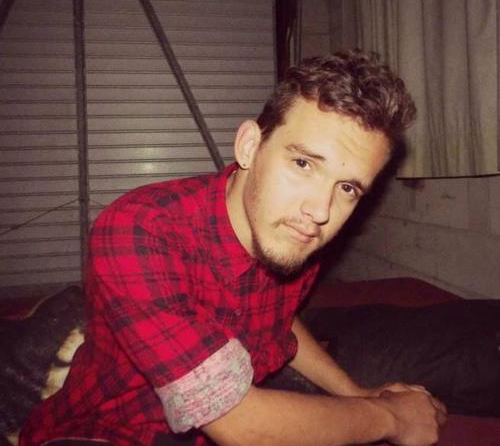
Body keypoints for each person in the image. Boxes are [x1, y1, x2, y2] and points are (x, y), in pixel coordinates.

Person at [20, 49, 447, 446]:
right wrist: (391, 417)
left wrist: (357, 394)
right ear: (249, 147)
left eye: (348, 188)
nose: (320, 211)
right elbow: (239, 423)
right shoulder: (137, 230)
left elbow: (279, 321)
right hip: (105, 433)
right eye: (303, 164)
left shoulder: (291, 229)